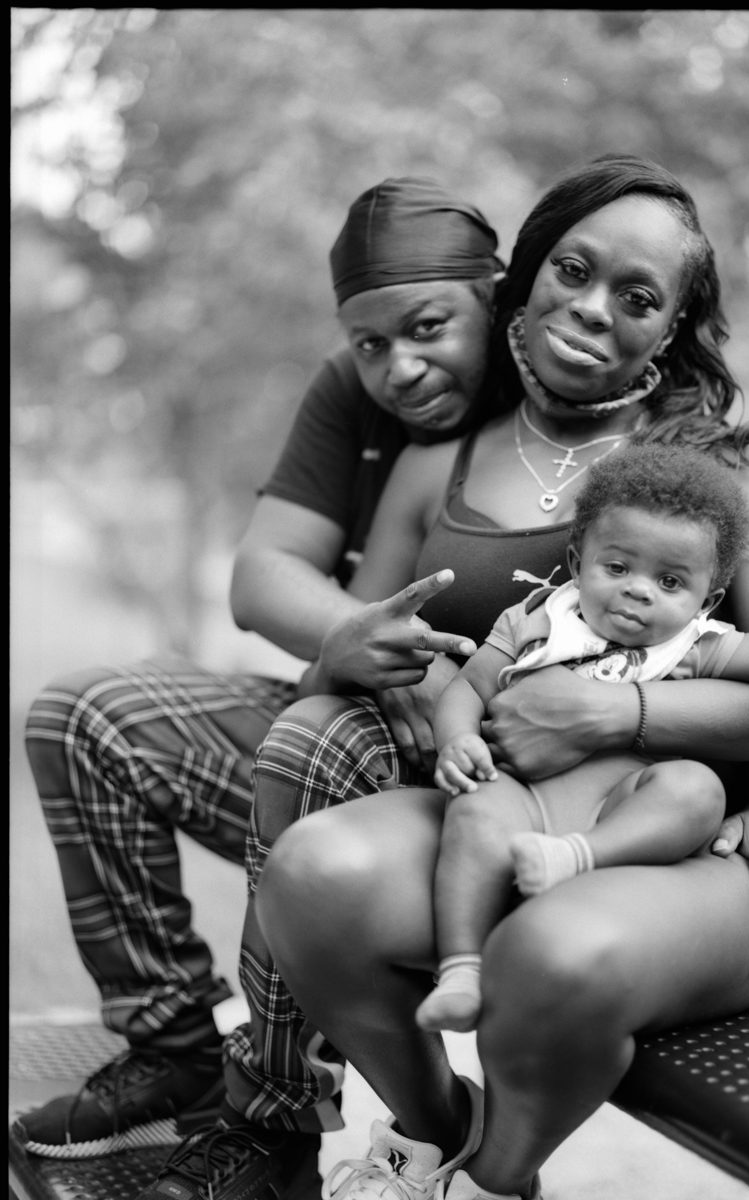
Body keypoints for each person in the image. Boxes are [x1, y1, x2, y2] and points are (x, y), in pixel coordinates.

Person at [246, 151, 749, 1200]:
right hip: (506, 805)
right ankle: (432, 1135)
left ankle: (495, 1181)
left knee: (548, 954)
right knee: (311, 873)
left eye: (638, 297)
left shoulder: (721, 468)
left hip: (688, 839)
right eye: (572, 270)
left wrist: (621, 714)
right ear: (520, 276)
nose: (591, 308)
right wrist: (445, 692)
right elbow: (370, 640)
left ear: (671, 329)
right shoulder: (445, 457)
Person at [13, 176, 503, 1196]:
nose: (397, 367)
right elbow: (259, 576)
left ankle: (270, 1127)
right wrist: (360, 635)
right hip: (341, 717)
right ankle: (174, 1052)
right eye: (370, 343)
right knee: (84, 718)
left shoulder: (557, 395)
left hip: (483, 797)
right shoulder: (349, 392)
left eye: (427, 327)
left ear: (495, 295)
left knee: (314, 746)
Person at [416, 436, 749, 1034]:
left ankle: (578, 859)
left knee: (694, 791)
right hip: (527, 796)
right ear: (578, 558)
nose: (638, 589)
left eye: (669, 582)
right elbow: (468, 688)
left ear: (705, 599)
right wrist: (457, 738)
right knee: (474, 813)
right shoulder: (535, 619)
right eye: (617, 567)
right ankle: (461, 971)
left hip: (626, 804)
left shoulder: (694, 644)